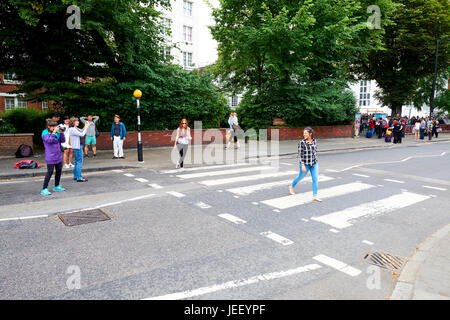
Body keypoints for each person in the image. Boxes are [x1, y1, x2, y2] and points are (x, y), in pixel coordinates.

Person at [289, 126, 322, 202]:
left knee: (315, 179)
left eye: (306, 133)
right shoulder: (302, 143)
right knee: (300, 177)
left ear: (310, 133)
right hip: (305, 164)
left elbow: (315, 152)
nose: (304, 134)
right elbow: (300, 155)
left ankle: (315, 196)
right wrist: (302, 165)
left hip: (314, 163)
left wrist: (315, 160)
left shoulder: (314, 141)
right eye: (303, 133)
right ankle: (291, 186)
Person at [40, 120, 66, 195]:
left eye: (55, 126)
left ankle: (56, 186)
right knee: (50, 172)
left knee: (59, 171)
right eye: (53, 126)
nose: (55, 128)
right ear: (48, 127)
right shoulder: (44, 132)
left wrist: (61, 132)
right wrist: (54, 132)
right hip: (50, 156)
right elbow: (49, 140)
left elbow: (63, 140)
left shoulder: (57, 132)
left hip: (58, 155)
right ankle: (44, 189)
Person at [68, 117, 90, 182]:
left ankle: (76, 176)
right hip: (78, 147)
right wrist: (86, 127)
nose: (78, 122)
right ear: (73, 122)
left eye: (78, 121)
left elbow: (81, 130)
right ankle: (79, 177)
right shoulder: (73, 129)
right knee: (79, 162)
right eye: (76, 121)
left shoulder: (74, 128)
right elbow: (82, 134)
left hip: (76, 146)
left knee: (76, 161)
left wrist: (85, 126)